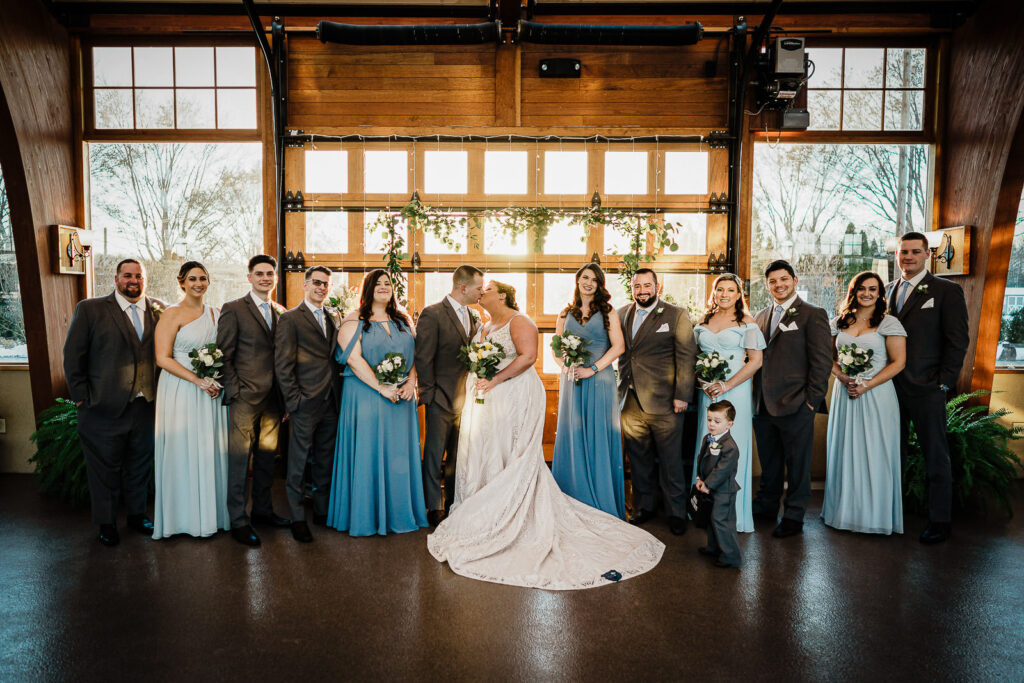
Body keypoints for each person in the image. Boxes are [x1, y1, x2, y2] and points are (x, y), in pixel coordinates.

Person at [428, 281, 664, 590]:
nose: (480, 292)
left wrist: (495, 379)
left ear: (502, 295)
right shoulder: (483, 323)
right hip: (489, 399)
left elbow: (527, 357)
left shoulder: (520, 320)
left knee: (512, 453)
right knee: (490, 452)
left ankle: (510, 513)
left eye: (486, 288)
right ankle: (485, 509)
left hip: (512, 395)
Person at [63, 259, 163, 546]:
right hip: (102, 408)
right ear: (116, 278)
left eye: (139, 276)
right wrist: (83, 399)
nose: (134, 280)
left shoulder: (159, 310)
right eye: (127, 275)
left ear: (145, 279)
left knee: (140, 465)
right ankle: (106, 522)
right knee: (104, 469)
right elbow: (73, 357)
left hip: (146, 406)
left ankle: (136, 515)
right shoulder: (91, 309)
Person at [328, 269, 428, 536]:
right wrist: (381, 387)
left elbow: (415, 356)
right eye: (378, 283)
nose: (384, 287)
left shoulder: (404, 321)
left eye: (388, 283)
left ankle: (398, 512)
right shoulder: (353, 321)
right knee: (368, 453)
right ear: (368, 288)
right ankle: (365, 516)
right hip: (365, 397)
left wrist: (410, 383)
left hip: (401, 399)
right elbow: (354, 360)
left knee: (398, 454)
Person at [886, 232, 969, 544]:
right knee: (894, 451)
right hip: (891, 388)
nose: (908, 257)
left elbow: (958, 340)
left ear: (927, 255)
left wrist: (944, 382)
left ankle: (939, 520)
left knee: (935, 454)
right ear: (897, 255)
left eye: (914, 252)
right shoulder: (889, 290)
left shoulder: (946, 291)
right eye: (903, 252)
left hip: (927, 387)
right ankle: (896, 511)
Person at [751, 260, 832, 538]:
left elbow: (822, 362)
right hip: (763, 404)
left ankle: (794, 515)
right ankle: (766, 506)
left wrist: (811, 402)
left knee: (798, 465)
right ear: (767, 285)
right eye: (773, 281)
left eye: (784, 279)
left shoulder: (813, 314)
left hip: (797, 404)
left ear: (795, 280)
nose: (779, 285)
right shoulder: (760, 316)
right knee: (770, 462)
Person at [152, 261, 230, 539]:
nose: (198, 283)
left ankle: (212, 516)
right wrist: (197, 380)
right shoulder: (171, 314)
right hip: (180, 390)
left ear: (209, 282)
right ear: (182, 282)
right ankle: (182, 519)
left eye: (203, 278)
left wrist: (214, 379)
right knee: (183, 448)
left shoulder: (217, 313)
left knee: (209, 449)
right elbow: (162, 358)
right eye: (192, 278)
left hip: (211, 389)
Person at [824, 271, 907, 535]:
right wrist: (843, 377)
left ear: (880, 293)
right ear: (853, 291)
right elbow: (829, 358)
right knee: (845, 449)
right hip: (845, 393)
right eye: (861, 288)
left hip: (877, 394)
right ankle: (843, 513)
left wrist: (867, 384)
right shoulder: (839, 322)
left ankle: (875, 516)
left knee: (875, 451)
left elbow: (899, 363)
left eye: (873, 289)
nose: (867, 293)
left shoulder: (888, 323)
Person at [617, 268, 698, 535]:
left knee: (670, 460)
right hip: (630, 400)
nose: (642, 291)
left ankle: (676, 512)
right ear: (632, 288)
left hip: (666, 402)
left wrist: (682, 396)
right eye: (637, 286)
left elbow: (686, 357)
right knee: (638, 459)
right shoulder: (621, 314)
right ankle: (644, 507)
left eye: (647, 285)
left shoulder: (676, 315)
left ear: (657, 286)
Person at [217, 254, 290, 547]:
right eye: (259, 273)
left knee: (265, 459)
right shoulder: (234, 309)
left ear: (275, 277)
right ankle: (238, 520)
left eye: (270, 273)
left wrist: (285, 399)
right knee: (239, 461)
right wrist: (235, 391)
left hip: (274, 399)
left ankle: (262, 511)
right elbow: (223, 354)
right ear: (249, 277)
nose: (265, 278)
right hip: (244, 397)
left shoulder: (281, 312)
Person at [689, 273, 764, 533]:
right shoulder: (703, 320)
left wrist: (728, 385)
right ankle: (704, 509)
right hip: (708, 392)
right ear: (714, 292)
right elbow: (694, 357)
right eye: (720, 289)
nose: (724, 294)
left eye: (730, 290)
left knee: (732, 446)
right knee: (706, 445)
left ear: (738, 294)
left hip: (735, 390)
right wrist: (703, 383)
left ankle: (732, 514)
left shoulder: (747, 322)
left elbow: (755, 361)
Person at [551, 263, 627, 518]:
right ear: (578, 280)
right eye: (585, 277)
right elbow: (556, 348)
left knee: (597, 435)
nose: (589, 283)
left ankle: (600, 499)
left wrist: (592, 369)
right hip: (573, 382)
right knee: (573, 435)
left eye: (594, 279)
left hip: (599, 380)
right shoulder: (564, 314)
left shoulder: (609, 312)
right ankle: (572, 496)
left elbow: (618, 347)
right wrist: (565, 368)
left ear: (599, 284)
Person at [274, 266, 342, 543]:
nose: (322, 288)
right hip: (304, 401)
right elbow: (283, 364)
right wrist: (294, 401)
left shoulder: (333, 316)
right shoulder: (290, 319)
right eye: (316, 282)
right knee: (299, 462)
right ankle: (297, 516)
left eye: (326, 284)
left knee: (325, 459)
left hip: (331, 400)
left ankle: (322, 510)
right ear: (305, 285)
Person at [414, 265, 484, 526]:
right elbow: (423, 357)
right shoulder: (433, 314)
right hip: (440, 398)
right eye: (478, 288)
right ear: (462, 287)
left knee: (458, 456)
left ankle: (454, 502)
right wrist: (429, 395)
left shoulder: (475, 316)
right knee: (434, 454)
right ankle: (433, 506)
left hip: (467, 400)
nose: (481, 293)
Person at [696, 400, 742, 569]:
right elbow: (701, 460)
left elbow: (722, 470)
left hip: (724, 490)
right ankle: (714, 547)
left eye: (717, 421)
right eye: (709, 419)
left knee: (722, 521)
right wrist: (699, 478)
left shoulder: (730, 447)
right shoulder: (708, 439)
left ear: (729, 424)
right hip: (709, 487)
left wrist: (709, 484)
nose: (711, 424)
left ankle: (731, 556)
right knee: (711, 518)